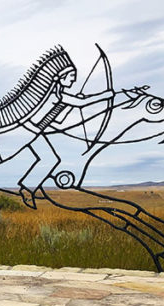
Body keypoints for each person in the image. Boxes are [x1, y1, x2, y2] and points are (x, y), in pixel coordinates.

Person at [18, 58, 113, 208]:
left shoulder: (59, 96)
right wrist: (106, 95)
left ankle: (28, 189)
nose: (73, 81)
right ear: (62, 78)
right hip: (28, 131)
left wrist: (70, 105)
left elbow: (59, 121)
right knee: (50, 159)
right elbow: (81, 103)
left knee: (50, 159)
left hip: (35, 132)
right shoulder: (54, 95)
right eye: (71, 78)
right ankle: (27, 189)